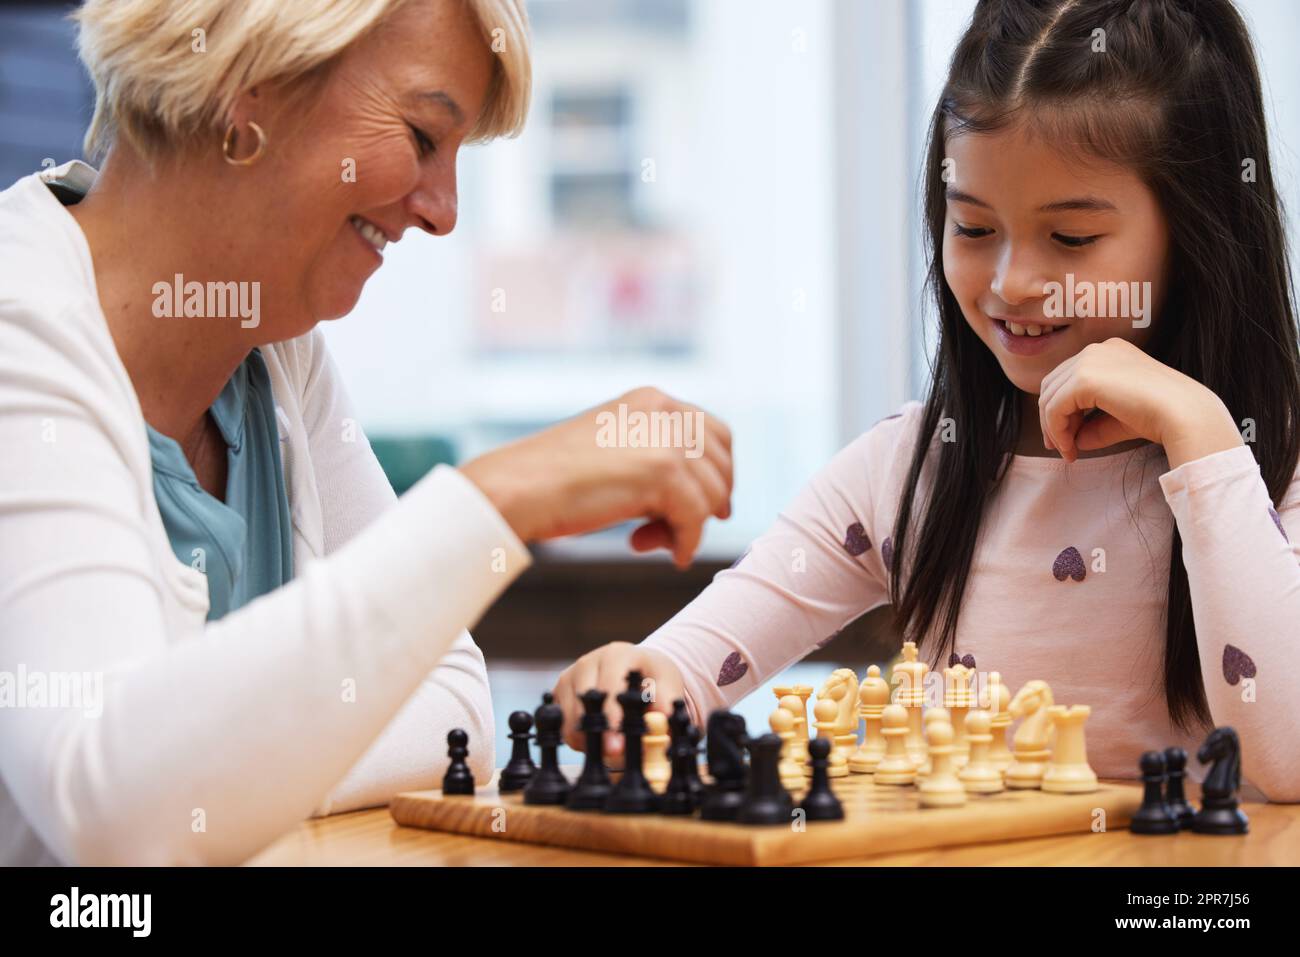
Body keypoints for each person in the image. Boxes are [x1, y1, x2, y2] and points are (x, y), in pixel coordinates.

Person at [0, 0, 733, 865]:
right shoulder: (21, 323)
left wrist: (219, 765)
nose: (444, 211)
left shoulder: (277, 357)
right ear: (249, 88)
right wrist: (504, 495)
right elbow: (116, 815)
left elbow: (453, 705)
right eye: (425, 137)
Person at [554, 0, 1300, 801]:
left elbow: (1289, 760)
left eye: (1071, 239)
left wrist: (1201, 436)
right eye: (973, 228)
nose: (1011, 283)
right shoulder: (908, 470)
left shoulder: (1263, 466)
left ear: (1195, 230)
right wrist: (635, 681)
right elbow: (690, 669)